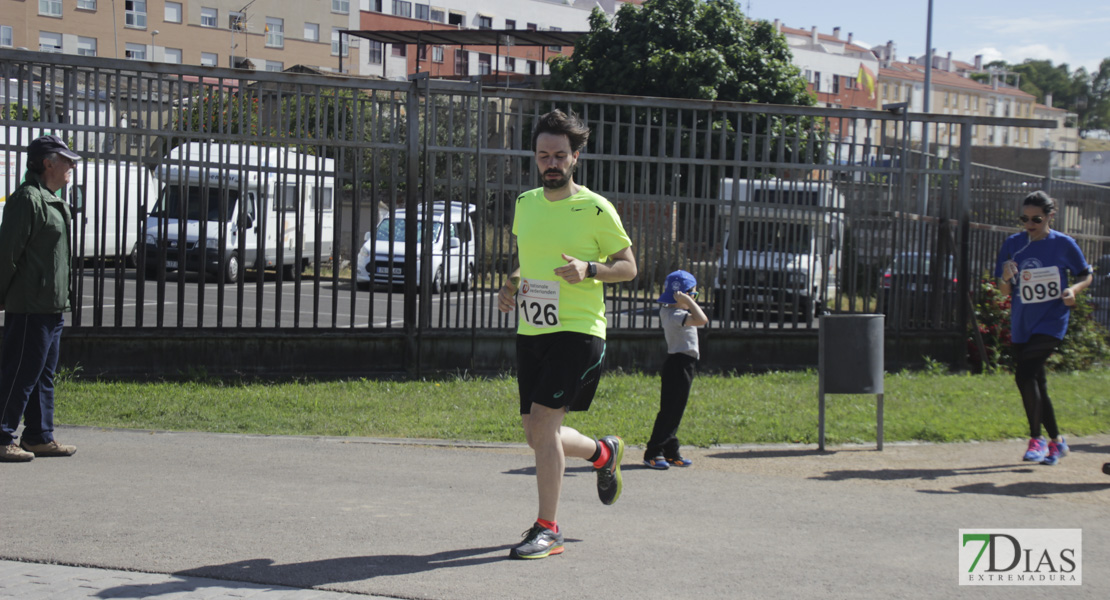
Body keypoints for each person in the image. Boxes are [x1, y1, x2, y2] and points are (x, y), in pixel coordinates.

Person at [496, 110, 637, 559]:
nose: (551, 163)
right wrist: (513, 282)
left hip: (579, 329)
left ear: (575, 156)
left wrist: (589, 268)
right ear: (535, 157)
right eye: (543, 155)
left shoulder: (596, 208)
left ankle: (548, 528)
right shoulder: (525, 203)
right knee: (536, 434)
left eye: (560, 155)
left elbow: (629, 267)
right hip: (533, 327)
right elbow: (529, 261)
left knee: (543, 423)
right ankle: (602, 453)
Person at [995, 191, 1092, 467]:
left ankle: (1036, 439)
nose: (1029, 224)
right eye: (1024, 218)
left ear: (1050, 216)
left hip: (1052, 319)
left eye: (1036, 219)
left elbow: (1085, 273)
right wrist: (1005, 277)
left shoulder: (1063, 244)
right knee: (1037, 380)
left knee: (1024, 374)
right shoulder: (1013, 243)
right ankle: (1057, 442)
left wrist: (1073, 290)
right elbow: (1004, 291)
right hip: (1022, 321)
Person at [0, 135, 81, 463]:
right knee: (19, 372)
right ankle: (3, 435)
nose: (71, 167)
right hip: (30, 305)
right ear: (48, 163)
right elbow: (8, 253)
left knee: (42, 373)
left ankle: (38, 435)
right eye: (67, 161)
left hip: (50, 305)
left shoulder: (50, 199)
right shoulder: (27, 200)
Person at [643, 270, 707, 470]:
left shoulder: (673, 311)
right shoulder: (675, 314)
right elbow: (702, 320)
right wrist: (689, 300)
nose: (694, 300)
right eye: (693, 295)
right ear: (681, 296)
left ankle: (671, 450)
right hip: (679, 364)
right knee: (669, 411)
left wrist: (687, 299)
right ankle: (653, 452)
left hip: (683, 363)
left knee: (675, 410)